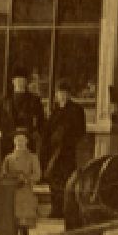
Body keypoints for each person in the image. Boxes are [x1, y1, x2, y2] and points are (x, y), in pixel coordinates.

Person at [41, 81, 87, 218]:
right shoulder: (55, 111)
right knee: (53, 180)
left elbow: (80, 130)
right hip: (53, 152)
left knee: (67, 180)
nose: (62, 96)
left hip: (68, 152)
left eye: (65, 93)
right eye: (60, 93)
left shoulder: (76, 110)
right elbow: (47, 131)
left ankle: (67, 209)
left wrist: (67, 141)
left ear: (69, 94)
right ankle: (56, 209)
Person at [0, 68, 47, 156]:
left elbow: (41, 119)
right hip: (8, 138)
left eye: (22, 80)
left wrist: (36, 132)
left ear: (26, 82)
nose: (20, 83)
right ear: (13, 82)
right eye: (18, 80)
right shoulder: (4, 100)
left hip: (27, 139)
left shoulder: (34, 100)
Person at [2, 128, 42, 235]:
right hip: (11, 194)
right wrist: (11, 179)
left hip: (25, 194)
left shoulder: (32, 157)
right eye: (17, 140)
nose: (20, 142)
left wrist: (26, 179)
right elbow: (3, 173)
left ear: (26, 142)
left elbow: (37, 175)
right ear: (14, 142)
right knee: (12, 224)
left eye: (22, 140)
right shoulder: (8, 158)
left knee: (24, 226)